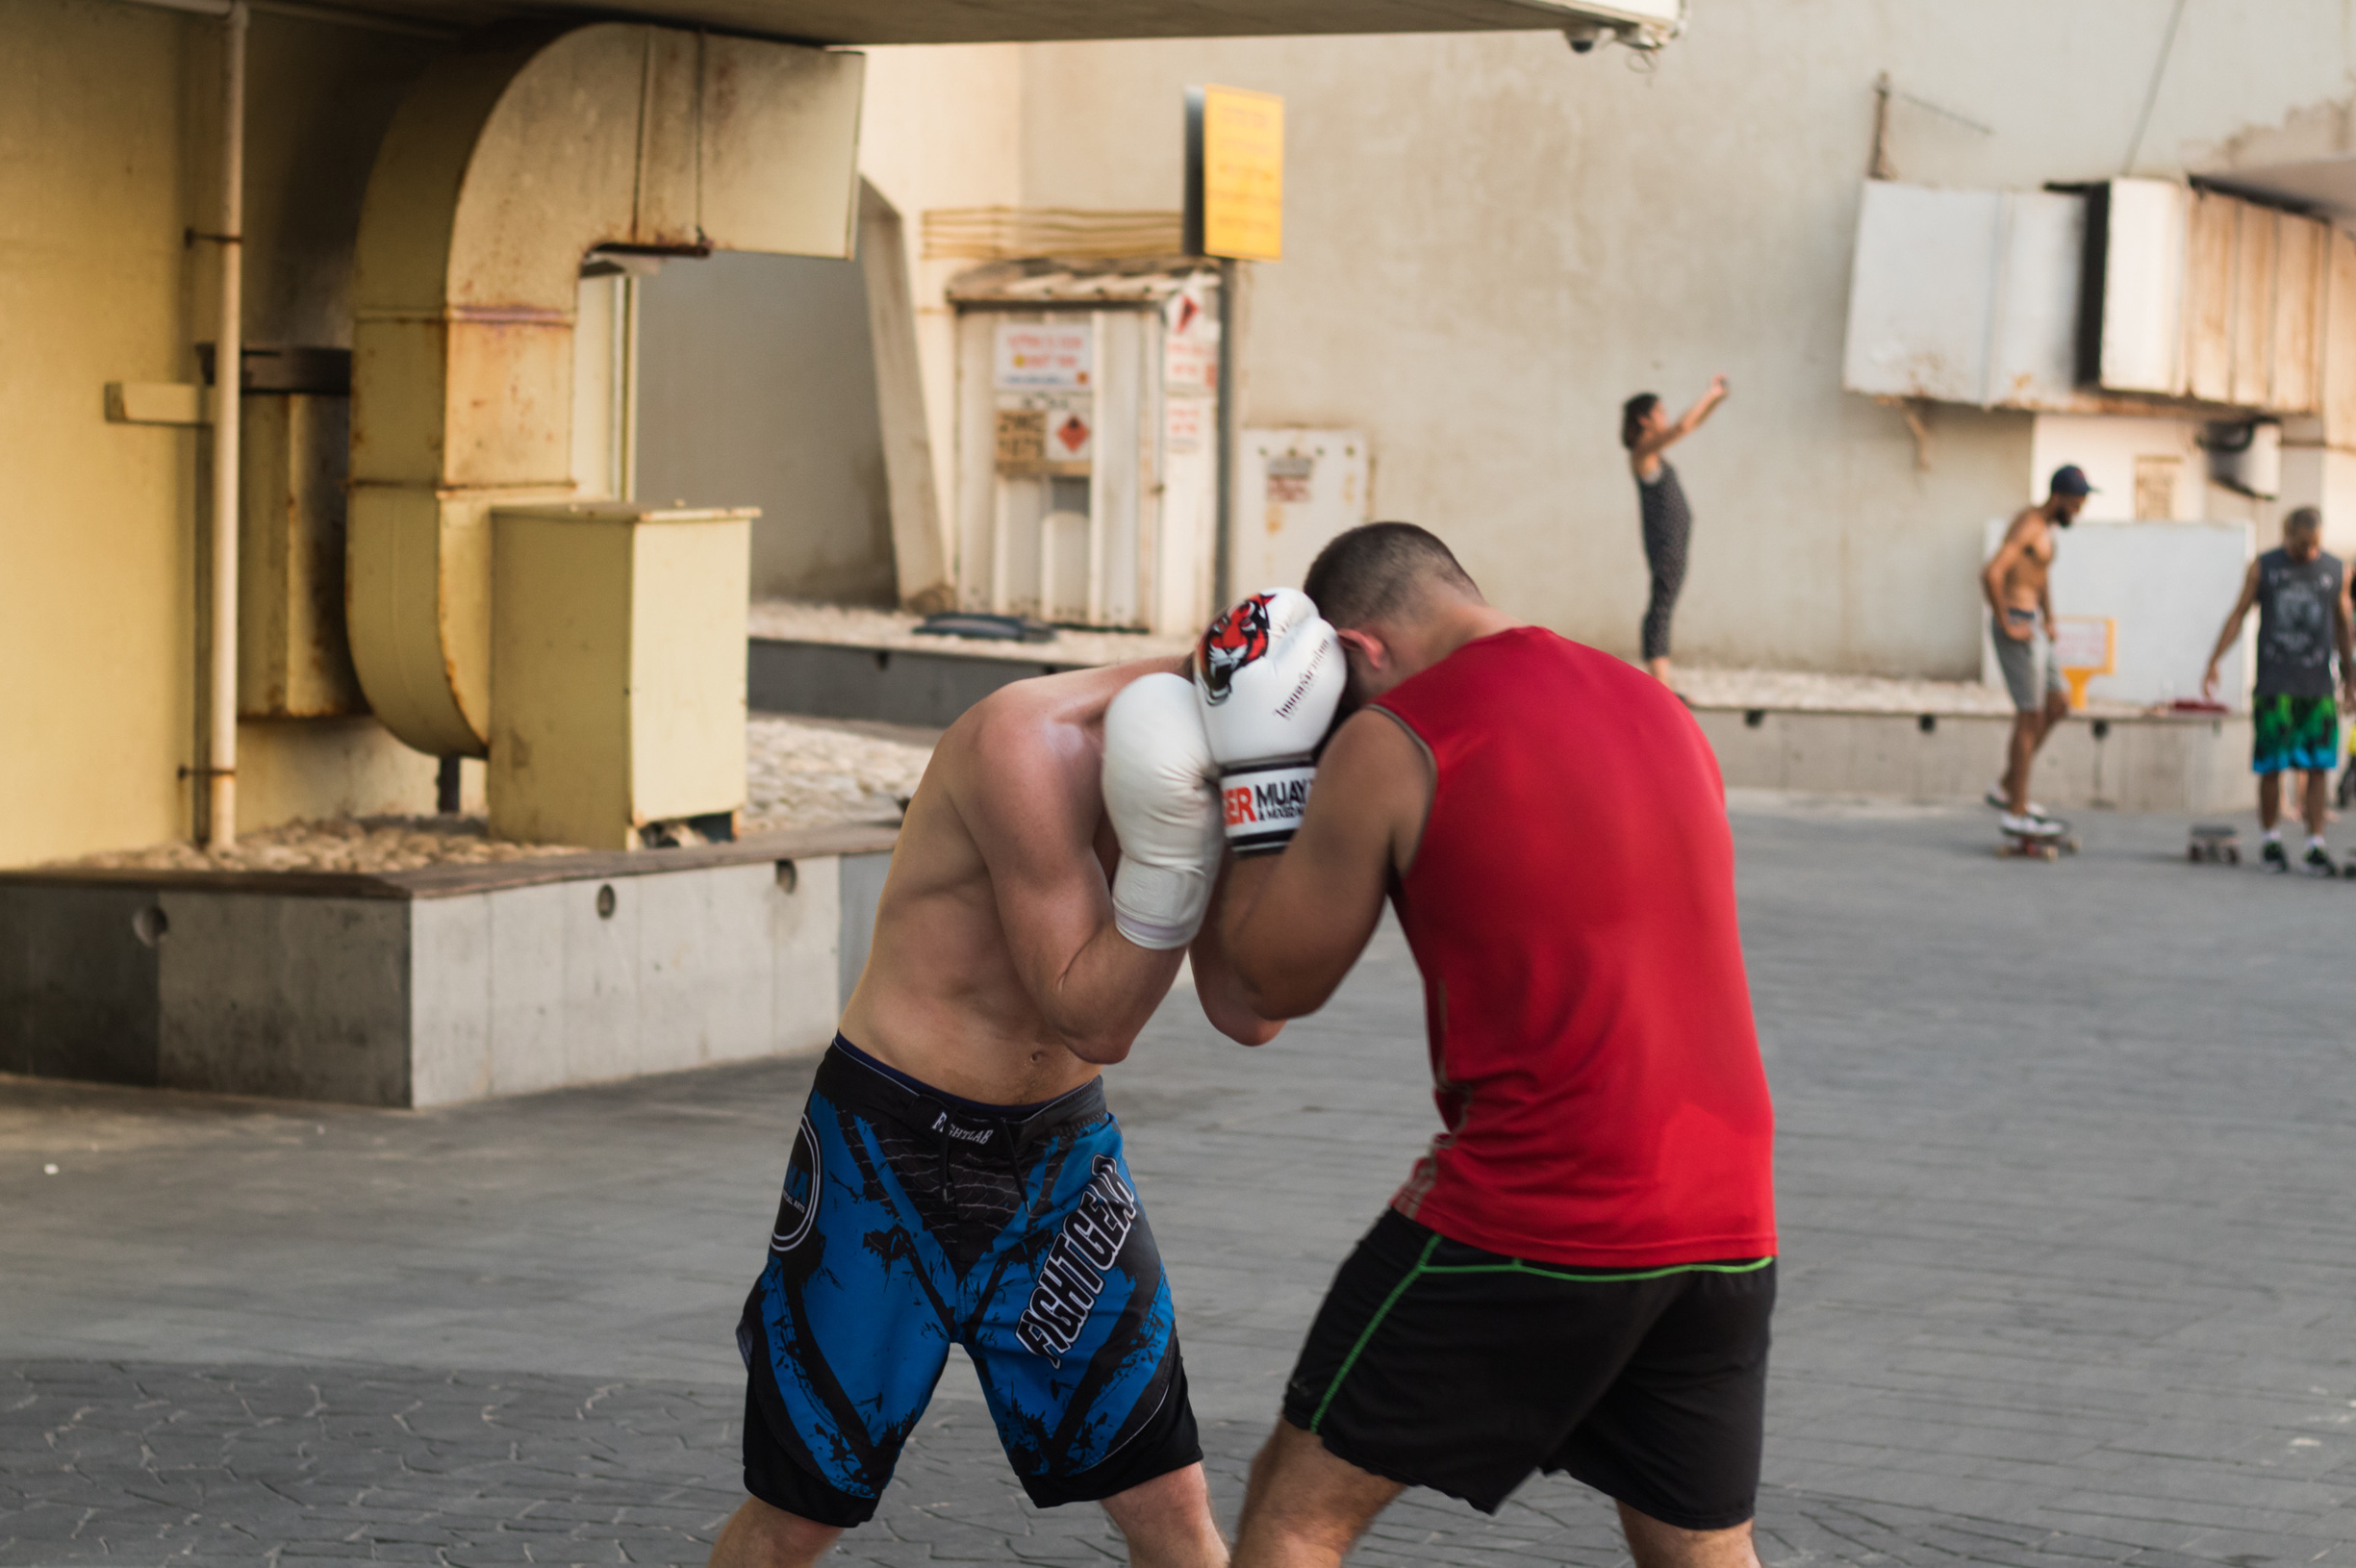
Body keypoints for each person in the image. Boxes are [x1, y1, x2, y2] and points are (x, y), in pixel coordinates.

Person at [1184, 525, 1781, 1568]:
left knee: (1294, 1512)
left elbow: (1266, 990)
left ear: (1359, 651)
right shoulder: (1659, 708)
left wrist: (1259, 780)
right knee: (1701, 1551)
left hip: (1542, 1202)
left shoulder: (1400, 735)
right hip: (1727, 1214)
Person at [713, 658, 1279, 1568]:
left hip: (1060, 1160)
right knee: (800, 1510)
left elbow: (1253, 1011)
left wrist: (1257, 834)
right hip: (886, 1154)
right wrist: (1180, 856)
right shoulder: (1024, 740)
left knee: (1169, 1499)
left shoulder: (1235, 766)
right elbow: (1092, 1015)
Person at [2200, 506, 2354, 874]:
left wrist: (2351, 678)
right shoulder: (2265, 567)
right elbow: (2239, 613)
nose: (2308, 553)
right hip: (2275, 684)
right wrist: (2215, 659)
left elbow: (2343, 626)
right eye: (2301, 546)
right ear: (2286, 535)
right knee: (2272, 767)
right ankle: (2271, 841)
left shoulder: (2335, 570)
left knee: (2318, 768)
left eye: (2314, 545)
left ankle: (2315, 844)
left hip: (2317, 687)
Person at [1979, 465, 2092, 845]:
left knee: (2058, 704)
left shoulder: (2045, 530)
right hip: (2018, 627)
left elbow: (2040, 576)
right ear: (2058, 497)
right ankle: (2016, 812)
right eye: (2076, 503)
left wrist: (2051, 618)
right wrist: (2006, 622)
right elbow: (1992, 573)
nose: (2080, 510)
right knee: (2030, 716)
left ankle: (2009, 787)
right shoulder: (2028, 524)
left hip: (2035, 626)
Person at [1620, 376, 1729, 688]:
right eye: (1660, 412)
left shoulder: (1654, 451)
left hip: (1675, 541)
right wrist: (1709, 393)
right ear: (1644, 419)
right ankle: (1662, 683)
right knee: (1662, 603)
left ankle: (1662, 680)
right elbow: (1682, 428)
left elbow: (1689, 426)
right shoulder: (1643, 452)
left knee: (1665, 601)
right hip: (1664, 542)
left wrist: (1715, 401)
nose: (1665, 417)